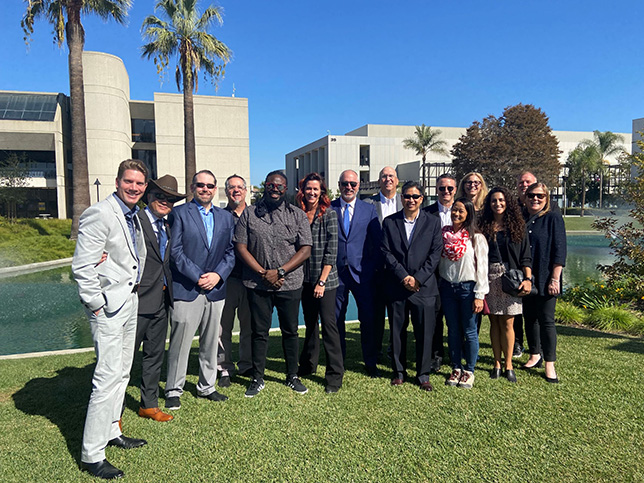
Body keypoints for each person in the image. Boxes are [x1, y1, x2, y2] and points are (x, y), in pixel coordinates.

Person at [72, 159, 149, 480]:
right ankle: (92, 453)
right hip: (107, 307)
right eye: (129, 182)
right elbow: (82, 266)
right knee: (105, 378)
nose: (134, 188)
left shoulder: (134, 215)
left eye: (140, 184)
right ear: (118, 182)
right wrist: (96, 305)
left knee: (121, 373)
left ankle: (112, 430)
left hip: (129, 301)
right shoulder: (100, 213)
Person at [234, 170, 312, 397]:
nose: (275, 189)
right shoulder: (249, 214)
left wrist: (279, 272)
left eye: (279, 186)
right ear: (265, 186)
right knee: (259, 332)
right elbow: (240, 247)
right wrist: (262, 273)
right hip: (257, 284)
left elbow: (305, 249)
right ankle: (257, 377)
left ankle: (292, 376)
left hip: (290, 283)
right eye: (270, 185)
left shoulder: (297, 215)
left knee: (290, 331)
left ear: (285, 189)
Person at [164, 170, 235, 410]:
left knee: (210, 342)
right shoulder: (179, 214)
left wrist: (217, 275)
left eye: (210, 186)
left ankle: (207, 386)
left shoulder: (226, 218)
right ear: (193, 187)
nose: (206, 189)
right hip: (187, 288)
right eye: (201, 185)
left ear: (216, 189)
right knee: (180, 342)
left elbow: (231, 252)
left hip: (215, 290)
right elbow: (175, 252)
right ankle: (174, 389)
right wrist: (198, 276)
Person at [381, 181, 442, 391]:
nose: (411, 200)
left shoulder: (433, 222)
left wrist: (418, 279)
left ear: (422, 199)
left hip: (423, 288)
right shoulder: (390, 222)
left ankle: (423, 374)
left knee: (425, 332)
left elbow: (435, 254)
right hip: (397, 287)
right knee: (397, 331)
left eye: (415, 197)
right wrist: (404, 277)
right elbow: (386, 252)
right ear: (401, 198)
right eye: (407, 196)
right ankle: (399, 372)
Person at [134, 175, 186, 422]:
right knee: (125, 358)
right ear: (149, 196)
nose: (165, 202)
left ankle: (149, 404)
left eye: (170, 199)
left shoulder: (167, 225)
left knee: (154, 355)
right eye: (160, 196)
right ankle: (112, 412)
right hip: (137, 301)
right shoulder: (135, 221)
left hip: (162, 300)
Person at [296, 173, 344, 393]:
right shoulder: (298, 214)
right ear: (302, 191)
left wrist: (322, 282)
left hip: (325, 280)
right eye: (308, 189)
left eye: (316, 189)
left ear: (321, 192)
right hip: (304, 279)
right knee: (310, 324)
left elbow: (331, 251)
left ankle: (335, 375)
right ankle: (308, 364)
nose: (312, 193)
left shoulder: (329, 214)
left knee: (329, 326)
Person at [479, 187, 532, 383]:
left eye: (501, 200)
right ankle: (497, 363)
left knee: (509, 322)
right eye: (494, 201)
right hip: (489, 276)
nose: (498, 204)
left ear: (507, 202)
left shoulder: (517, 226)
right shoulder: (483, 225)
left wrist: (528, 279)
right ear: (489, 204)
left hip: (511, 278)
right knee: (494, 321)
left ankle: (509, 364)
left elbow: (526, 257)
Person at [330, 169, 380, 377]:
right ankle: (338, 361)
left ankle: (370, 361)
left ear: (358, 186)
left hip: (362, 275)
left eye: (353, 184)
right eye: (345, 183)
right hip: (336, 274)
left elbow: (376, 244)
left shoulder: (368, 210)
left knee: (367, 320)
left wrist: (369, 269)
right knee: (336, 320)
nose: (349, 187)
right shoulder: (329, 209)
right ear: (339, 185)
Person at [439, 198, 488, 389]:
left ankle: (469, 370)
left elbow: (482, 269)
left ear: (468, 214)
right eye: (454, 210)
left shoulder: (476, 238)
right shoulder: (444, 234)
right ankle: (456, 367)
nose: (456, 214)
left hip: (468, 289)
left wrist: (479, 295)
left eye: (461, 211)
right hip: (448, 288)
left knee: (470, 331)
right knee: (452, 330)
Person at [521, 183, 566, 383]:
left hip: (547, 276)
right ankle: (534, 354)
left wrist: (555, 278)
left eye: (539, 196)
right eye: (531, 195)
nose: (535, 199)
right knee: (529, 318)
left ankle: (550, 363)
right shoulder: (522, 218)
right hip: (527, 277)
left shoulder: (553, 218)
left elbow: (560, 249)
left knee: (546, 319)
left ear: (546, 198)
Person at [217, 175, 253, 387]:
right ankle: (224, 368)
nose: (236, 191)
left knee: (249, 326)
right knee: (223, 328)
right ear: (226, 191)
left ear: (246, 191)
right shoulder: (220, 216)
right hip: (226, 280)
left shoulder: (256, 214)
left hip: (251, 279)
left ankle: (247, 364)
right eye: (232, 188)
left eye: (240, 187)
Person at [364, 166, 402, 361]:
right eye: (384, 176)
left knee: (397, 314)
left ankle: (394, 350)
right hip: (376, 270)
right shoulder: (368, 204)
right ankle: (376, 351)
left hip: (399, 270)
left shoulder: (406, 203)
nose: (388, 179)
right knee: (376, 314)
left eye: (391, 176)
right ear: (379, 181)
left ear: (397, 180)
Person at [424, 173, 458, 372]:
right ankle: (436, 356)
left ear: (455, 190)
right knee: (435, 317)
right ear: (436, 190)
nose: (446, 192)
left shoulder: (463, 211)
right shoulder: (427, 213)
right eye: (442, 188)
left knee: (455, 318)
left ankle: (456, 354)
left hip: (457, 273)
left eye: (450, 188)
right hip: (434, 274)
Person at [512, 170, 537, 357]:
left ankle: (537, 349)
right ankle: (517, 343)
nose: (524, 185)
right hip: (516, 266)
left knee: (535, 314)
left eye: (528, 182)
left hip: (538, 266)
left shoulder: (547, 207)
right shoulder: (514, 208)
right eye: (521, 183)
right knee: (516, 311)